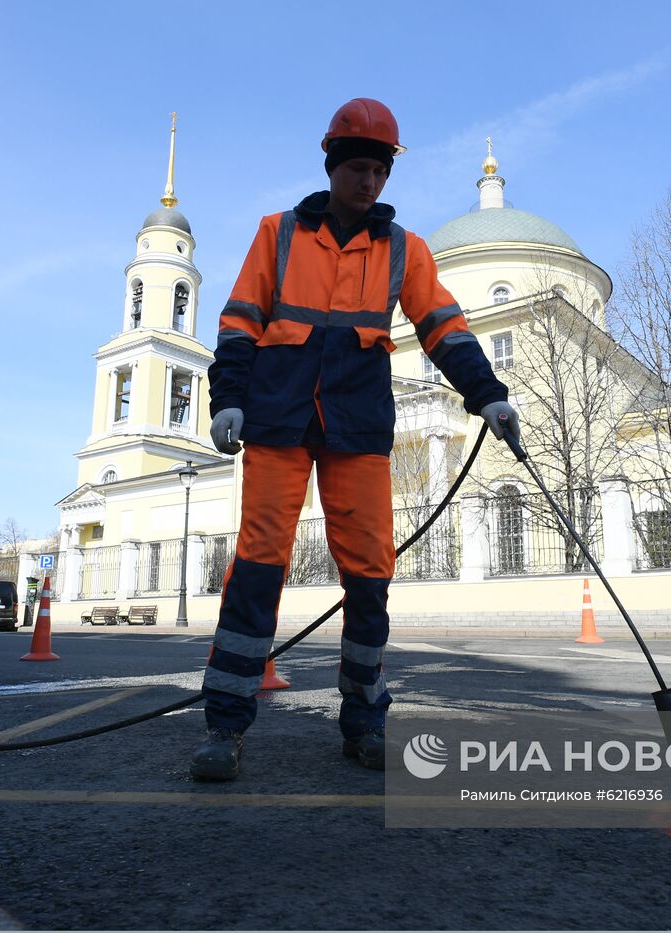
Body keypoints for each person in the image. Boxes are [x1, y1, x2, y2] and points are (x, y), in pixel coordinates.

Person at [192, 98, 520, 780]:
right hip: (279, 421)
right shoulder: (278, 234)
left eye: (379, 170)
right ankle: (225, 725)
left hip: (358, 429)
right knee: (257, 566)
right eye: (358, 168)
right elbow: (238, 321)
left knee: (370, 574)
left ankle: (365, 718)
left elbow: (444, 328)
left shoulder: (404, 250)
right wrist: (227, 402)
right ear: (333, 164)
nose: (369, 182)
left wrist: (487, 393)